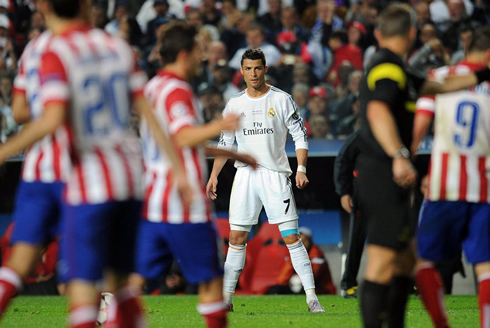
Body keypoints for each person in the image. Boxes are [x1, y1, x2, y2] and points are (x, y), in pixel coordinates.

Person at [0, 1, 192, 326]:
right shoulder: (116, 46)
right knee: (120, 283)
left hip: (71, 173)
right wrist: (179, 170)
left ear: (44, 7)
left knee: (46, 271)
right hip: (125, 174)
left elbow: (39, 115)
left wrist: (5, 150)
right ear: (87, 6)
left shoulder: (46, 50)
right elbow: (147, 114)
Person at [356, 4, 490, 327]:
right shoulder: (386, 67)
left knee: (406, 261)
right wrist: (400, 157)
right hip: (383, 172)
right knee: (381, 261)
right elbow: (377, 111)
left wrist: (482, 72)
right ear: (413, 34)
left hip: (402, 177)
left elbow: (439, 88)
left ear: (378, 33)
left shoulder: (400, 71)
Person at [131, 22, 257, 328]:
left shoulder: (153, 88)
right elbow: (182, 137)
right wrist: (220, 125)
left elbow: (178, 144)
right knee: (212, 282)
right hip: (184, 202)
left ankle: (108, 314)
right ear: (185, 54)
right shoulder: (178, 90)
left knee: (135, 282)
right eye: (199, 52)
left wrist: (234, 154)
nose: (202, 59)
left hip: (155, 200)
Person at [206, 48, 325, 313]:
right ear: (241, 71)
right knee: (236, 237)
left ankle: (312, 298)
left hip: (274, 175)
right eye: (248, 68)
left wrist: (302, 168)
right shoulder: (235, 104)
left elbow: (300, 136)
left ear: (265, 68)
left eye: (257, 68)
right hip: (246, 176)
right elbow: (226, 144)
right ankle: (226, 300)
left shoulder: (282, 99)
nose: (253, 73)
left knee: (292, 236)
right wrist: (213, 176)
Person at [411, 26, 490, 328]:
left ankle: (442, 324)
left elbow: (418, 132)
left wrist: (407, 163)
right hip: (483, 190)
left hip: (443, 186)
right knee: (485, 268)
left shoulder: (439, 78)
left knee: (423, 261)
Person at [333, 130, 366, 298]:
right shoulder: (362, 135)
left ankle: (405, 284)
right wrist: (344, 192)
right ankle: (349, 285)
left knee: (398, 240)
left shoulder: (399, 132)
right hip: (363, 196)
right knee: (356, 241)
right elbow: (342, 160)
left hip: (390, 196)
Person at [275, 227, 336, 295]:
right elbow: (281, 280)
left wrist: (298, 279)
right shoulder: (292, 254)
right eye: (297, 241)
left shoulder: (317, 255)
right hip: (298, 287)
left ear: (309, 241)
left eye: (303, 241)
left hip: (320, 289)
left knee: (307, 286)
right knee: (276, 289)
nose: (301, 244)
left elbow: (312, 277)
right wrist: (291, 263)